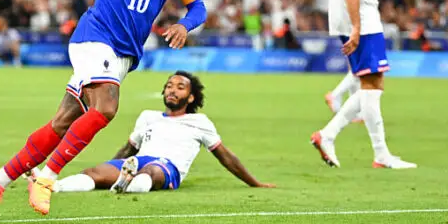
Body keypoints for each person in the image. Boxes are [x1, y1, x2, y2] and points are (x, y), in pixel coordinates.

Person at [0, 0, 208, 224]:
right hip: (94, 38)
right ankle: (47, 178)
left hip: (125, 55)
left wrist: (185, 26)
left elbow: (197, 6)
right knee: (107, 108)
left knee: (60, 124)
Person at [311, 0, 419, 169]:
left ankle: (332, 136)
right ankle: (376, 153)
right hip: (361, 19)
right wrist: (357, 26)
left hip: (352, 17)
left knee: (372, 85)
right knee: (372, 86)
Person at [42, 71, 275, 194]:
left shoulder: (200, 122)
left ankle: (126, 182)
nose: (172, 90)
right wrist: (110, 167)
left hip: (167, 166)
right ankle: (53, 186)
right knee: (94, 172)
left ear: (191, 97)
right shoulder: (148, 116)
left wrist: (254, 183)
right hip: (136, 161)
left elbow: (225, 156)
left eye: (180, 87)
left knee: (151, 173)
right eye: (169, 86)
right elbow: (129, 149)